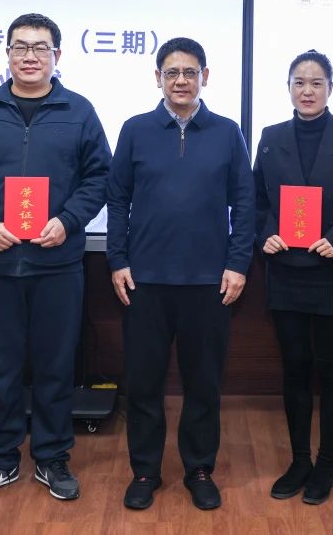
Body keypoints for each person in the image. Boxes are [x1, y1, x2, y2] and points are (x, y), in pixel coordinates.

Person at [0, 13, 111, 504]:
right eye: (20, 47)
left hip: (57, 262)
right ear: (8, 54)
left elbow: (99, 177)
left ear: (57, 55)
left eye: (40, 47)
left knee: (56, 365)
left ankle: (52, 457)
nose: (30, 56)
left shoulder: (79, 111)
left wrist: (68, 220)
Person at [106, 37, 254, 512]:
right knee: (143, 383)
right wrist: (117, 259)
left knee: (203, 384)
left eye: (190, 72)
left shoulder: (227, 132)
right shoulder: (135, 129)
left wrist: (238, 263)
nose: (181, 81)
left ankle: (199, 469)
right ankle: (145, 471)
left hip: (209, 283)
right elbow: (117, 200)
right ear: (158, 78)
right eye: (172, 73)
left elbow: (245, 203)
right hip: (144, 281)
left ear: (205, 77)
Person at [253, 50, 333, 505]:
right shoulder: (270, 137)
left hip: (330, 272)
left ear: (330, 88)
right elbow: (256, 200)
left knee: (332, 368)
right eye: (299, 82)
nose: (307, 91)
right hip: (285, 271)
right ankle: (299, 460)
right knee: (295, 368)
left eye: (316, 83)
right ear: (288, 87)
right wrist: (265, 233)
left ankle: (326, 463)